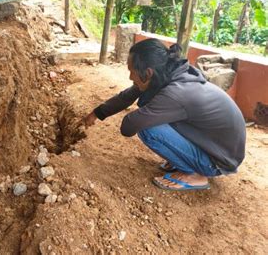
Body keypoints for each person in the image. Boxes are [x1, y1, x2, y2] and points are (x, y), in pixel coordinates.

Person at [84, 38, 246, 191]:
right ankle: (187, 160)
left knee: (149, 128)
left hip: (217, 161)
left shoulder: (176, 93)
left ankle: (195, 174)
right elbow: (129, 94)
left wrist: (144, 110)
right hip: (217, 149)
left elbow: (129, 126)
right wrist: (97, 113)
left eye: (132, 71)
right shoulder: (170, 73)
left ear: (148, 73)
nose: (130, 76)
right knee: (154, 117)